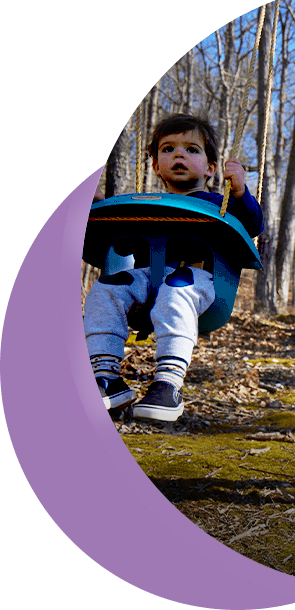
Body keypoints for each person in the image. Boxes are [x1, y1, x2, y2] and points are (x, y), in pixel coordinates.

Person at [84, 113, 264, 422]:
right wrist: (97, 205)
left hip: (199, 281)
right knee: (105, 288)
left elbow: (252, 224)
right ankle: (106, 378)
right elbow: (115, 238)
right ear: (156, 165)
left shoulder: (216, 202)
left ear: (210, 168)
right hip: (145, 282)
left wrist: (239, 192)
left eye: (191, 149)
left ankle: (168, 383)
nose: (178, 154)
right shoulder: (142, 205)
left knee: (176, 286)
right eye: (168, 149)